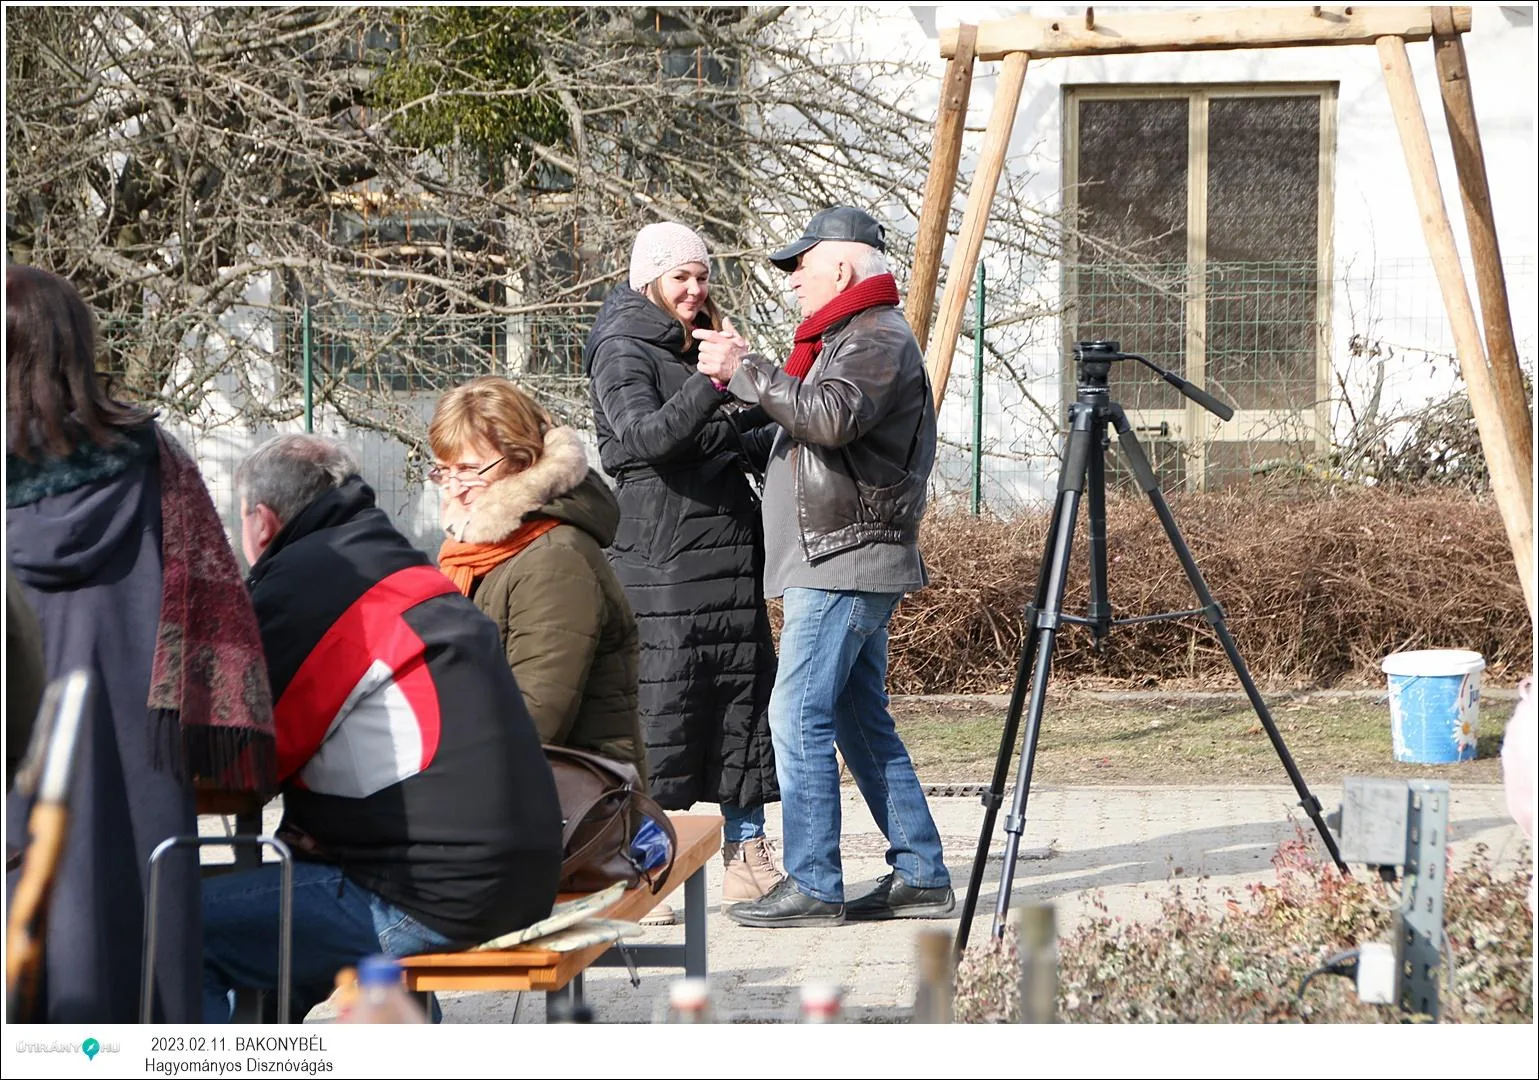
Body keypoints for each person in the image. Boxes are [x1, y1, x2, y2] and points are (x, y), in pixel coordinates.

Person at [201, 434, 563, 1022]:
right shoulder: (397, 560)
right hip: (519, 875)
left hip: (432, 894)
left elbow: (243, 757)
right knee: (268, 940)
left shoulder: (302, 585)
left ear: (261, 523)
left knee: (175, 926)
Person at [5, 264, 276, 1022]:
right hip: (136, 746)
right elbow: (222, 608)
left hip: (19, 754)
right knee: (140, 944)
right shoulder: (153, 455)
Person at [693, 206, 954, 928]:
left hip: (844, 560)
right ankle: (922, 873)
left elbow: (829, 418)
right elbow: (811, 433)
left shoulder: (874, 338)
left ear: (839, 268)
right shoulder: (848, 337)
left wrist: (746, 370)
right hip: (844, 556)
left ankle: (812, 882)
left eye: (800, 268)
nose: (794, 284)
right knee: (855, 717)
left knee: (796, 711)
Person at [582, 221, 785, 909]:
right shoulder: (619, 349)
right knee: (666, 711)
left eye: (701, 276)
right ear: (650, 281)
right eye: (681, 278)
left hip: (728, 553)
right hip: (662, 562)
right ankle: (644, 870)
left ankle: (747, 855)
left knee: (741, 708)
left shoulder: (697, 341)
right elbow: (643, 441)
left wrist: (775, 396)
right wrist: (710, 383)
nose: (695, 290)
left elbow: (728, 429)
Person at [429, 376, 645, 779]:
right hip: (513, 785)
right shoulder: (473, 554)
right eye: (444, 470)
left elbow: (535, 716)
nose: (454, 489)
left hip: (575, 808)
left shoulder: (555, 558)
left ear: (522, 461)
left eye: (470, 470)